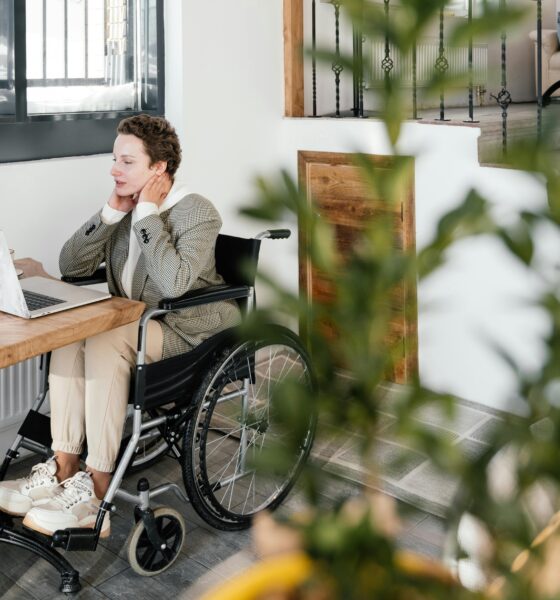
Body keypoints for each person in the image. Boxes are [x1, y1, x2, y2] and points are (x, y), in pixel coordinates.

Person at [0, 114, 241, 536]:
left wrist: (147, 213)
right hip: (137, 323)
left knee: (105, 338)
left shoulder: (197, 211)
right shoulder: (125, 207)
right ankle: (64, 469)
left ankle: (96, 492)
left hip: (188, 329)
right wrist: (112, 213)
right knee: (73, 333)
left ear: (158, 168)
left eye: (126, 162)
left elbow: (175, 283)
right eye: (115, 159)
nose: (114, 170)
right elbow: (70, 265)